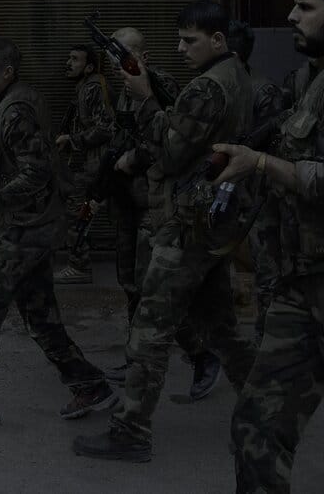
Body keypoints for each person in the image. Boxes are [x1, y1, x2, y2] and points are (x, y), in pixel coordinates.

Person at [73, 1, 258, 462]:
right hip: (212, 222)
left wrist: (143, 96)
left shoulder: (206, 87)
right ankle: (265, 412)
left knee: (150, 331)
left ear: (217, 40)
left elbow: (172, 152)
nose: (180, 49)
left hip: (186, 226)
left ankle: (131, 432)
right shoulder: (237, 75)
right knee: (222, 327)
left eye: (189, 40)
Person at [0, 38, 117, 429]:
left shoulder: (15, 111)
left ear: (7, 73)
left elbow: (36, 173)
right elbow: (13, 164)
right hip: (35, 224)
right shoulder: (14, 101)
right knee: (39, 315)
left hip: (27, 228)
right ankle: (90, 384)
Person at [217, 0, 324, 493]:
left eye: (305, 6)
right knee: (257, 424)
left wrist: (260, 163)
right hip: (303, 281)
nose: (291, 16)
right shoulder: (312, 79)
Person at [100, 28, 219, 400]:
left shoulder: (159, 86)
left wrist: (132, 159)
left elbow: (171, 142)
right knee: (131, 285)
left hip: (156, 203)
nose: (115, 61)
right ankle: (135, 359)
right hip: (129, 198)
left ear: (144, 56)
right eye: (111, 54)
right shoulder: (125, 88)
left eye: (124, 53)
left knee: (154, 289)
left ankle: (202, 355)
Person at [226, 20, 288, 345]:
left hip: (258, 197)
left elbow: (274, 150)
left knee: (266, 273)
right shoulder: (222, 87)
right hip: (230, 192)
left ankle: (266, 344)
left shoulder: (264, 91)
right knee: (233, 267)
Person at [54, 43, 115, 285]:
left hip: (96, 164)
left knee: (76, 212)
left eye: (75, 59)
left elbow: (106, 127)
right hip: (91, 163)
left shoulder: (93, 88)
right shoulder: (84, 87)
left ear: (89, 67)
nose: (68, 63)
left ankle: (79, 266)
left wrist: (73, 140)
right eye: (68, 58)